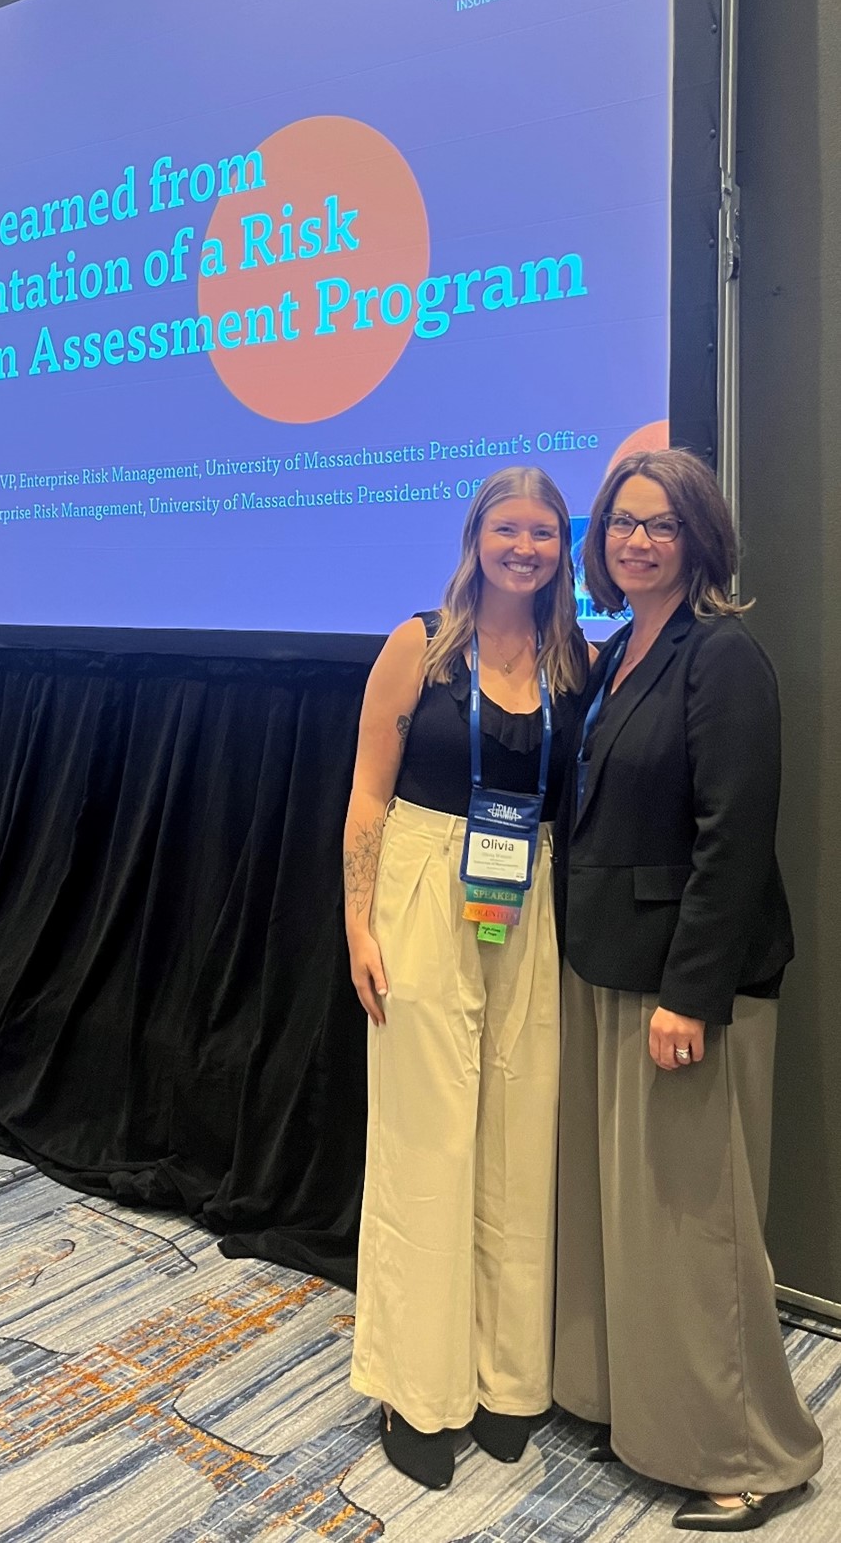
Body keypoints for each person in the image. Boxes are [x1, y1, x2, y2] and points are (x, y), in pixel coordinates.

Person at [553, 447, 823, 1533]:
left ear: (698, 537)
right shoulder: (621, 648)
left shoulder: (723, 656)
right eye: (621, 522)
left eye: (661, 524)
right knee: (630, 1219)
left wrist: (689, 995)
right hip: (607, 966)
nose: (637, 540)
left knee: (695, 1224)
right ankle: (633, 1408)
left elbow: (731, 839)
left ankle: (749, 1454)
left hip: (681, 989)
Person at [344, 465, 589, 1489]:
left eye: (541, 531)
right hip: (419, 886)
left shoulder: (574, 658)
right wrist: (355, 920)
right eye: (506, 528)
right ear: (474, 536)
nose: (522, 546)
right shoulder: (418, 644)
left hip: (524, 900)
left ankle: (500, 1376)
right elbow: (364, 790)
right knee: (423, 1139)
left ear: (559, 548)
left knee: (516, 1135)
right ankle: (415, 1385)